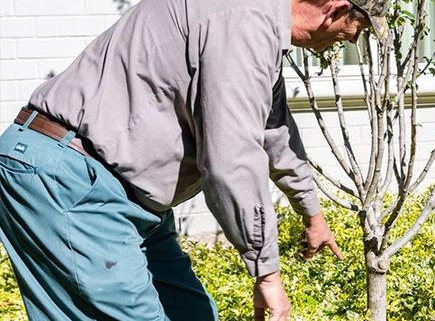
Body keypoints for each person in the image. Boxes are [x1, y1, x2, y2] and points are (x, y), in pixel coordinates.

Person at [0, 0, 387, 320]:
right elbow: (231, 160)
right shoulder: (243, 23)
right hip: (68, 179)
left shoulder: (259, 25)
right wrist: (267, 274)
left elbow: (273, 130)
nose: (348, 41)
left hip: (124, 197)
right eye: (359, 29)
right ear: (336, 9)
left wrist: (312, 214)